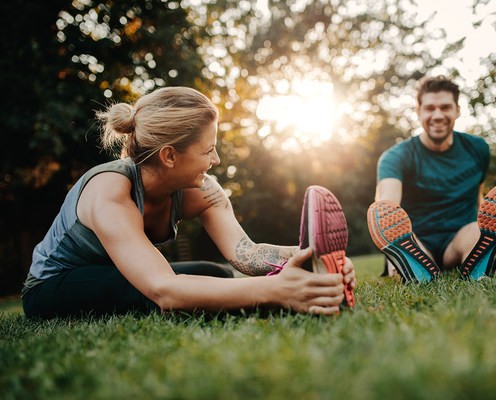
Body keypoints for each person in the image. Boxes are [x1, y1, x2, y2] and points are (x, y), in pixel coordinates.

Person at [22, 86, 356, 319]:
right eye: (207, 149)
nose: (217, 159)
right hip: (55, 285)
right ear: (169, 155)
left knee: (218, 276)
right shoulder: (110, 190)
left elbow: (247, 254)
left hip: (117, 274)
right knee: (155, 295)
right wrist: (276, 291)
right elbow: (165, 289)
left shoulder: (202, 190)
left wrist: (311, 259)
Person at [367, 75, 496, 282]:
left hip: (459, 237)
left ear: (457, 110)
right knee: (408, 243)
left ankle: (486, 260)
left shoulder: (478, 149)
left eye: (445, 107)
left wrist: (485, 229)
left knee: (477, 233)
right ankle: (405, 261)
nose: (438, 115)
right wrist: (389, 247)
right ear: (419, 112)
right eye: (430, 108)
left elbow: (478, 196)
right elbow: (387, 207)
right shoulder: (396, 157)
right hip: (417, 239)